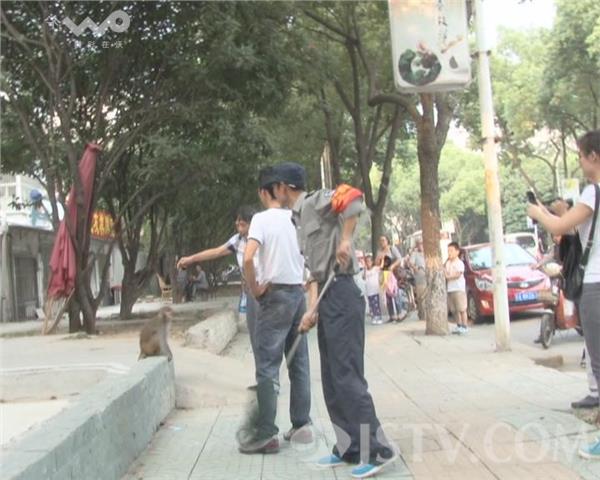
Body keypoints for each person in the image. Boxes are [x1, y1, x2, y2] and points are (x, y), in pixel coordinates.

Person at [272, 162, 397, 479]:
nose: (274, 193)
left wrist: (345, 239)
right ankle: (349, 446)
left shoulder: (315, 201)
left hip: (342, 293)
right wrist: (310, 309)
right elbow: (316, 272)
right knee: (331, 378)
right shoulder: (297, 219)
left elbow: (353, 197)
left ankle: (378, 450)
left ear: (284, 187)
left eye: (275, 188)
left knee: (347, 376)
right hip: (326, 297)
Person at [527, 130, 600, 459]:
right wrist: (556, 212)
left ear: (594, 156)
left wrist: (538, 214)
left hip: (595, 285)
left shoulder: (593, 191)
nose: (581, 161)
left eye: (582, 155)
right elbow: (573, 227)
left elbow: (559, 229)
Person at [239, 166, 312, 454]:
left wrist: (255, 288)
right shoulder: (297, 218)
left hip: (275, 296)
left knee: (268, 366)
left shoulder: (261, 219)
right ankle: (302, 425)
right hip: (298, 294)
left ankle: (267, 433)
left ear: (264, 191)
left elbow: (248, 258)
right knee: (299, 363)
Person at [177, 206, 260, 383]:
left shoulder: (263, 236)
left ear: (252, 223)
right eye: (237, 221)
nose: (238, 224)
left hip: (267, 291)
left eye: (242, 222)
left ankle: (270, 380)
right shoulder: (237, 241)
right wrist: (191, 259)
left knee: (268, 337)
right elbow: (215, 252)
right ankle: (263, 380)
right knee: (255, 337)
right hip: (252, 294)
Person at [444, 242, 468, 334]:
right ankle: (459, 325)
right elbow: (445, 273)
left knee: (462, 308)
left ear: (457, 252)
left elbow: (457, 274)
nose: (449, 253)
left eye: (451, 251)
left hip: (459, 289)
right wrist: (447, 275)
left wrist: (448, 276)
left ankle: (465, 326)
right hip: (450, 289)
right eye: (448, 251)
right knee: (454, 310)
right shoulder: (448, 263)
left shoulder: (459, 263)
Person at [408, 240, 426, 319]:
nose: (421, 246)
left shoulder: (427, 253)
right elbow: (410, 263)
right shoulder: (415, 254)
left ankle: (427, 313)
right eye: (420, 244)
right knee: (421, 296)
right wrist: (415, 268)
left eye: (422, 244)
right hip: (420, 278)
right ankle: (422, 314)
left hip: (428, 276)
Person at [364, 254, 383, 324]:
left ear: (372, 262)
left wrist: (382, 259)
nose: (368, 263)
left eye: (369, 261)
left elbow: (381, 266)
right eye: (366, 261)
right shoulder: (366, 271)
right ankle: (374, 317)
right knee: (371, 306)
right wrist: (364, 269)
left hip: (375, 291)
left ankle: (379, 317)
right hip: (369, 292)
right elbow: (364, 278)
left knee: (376, 304)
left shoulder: (375, 269)